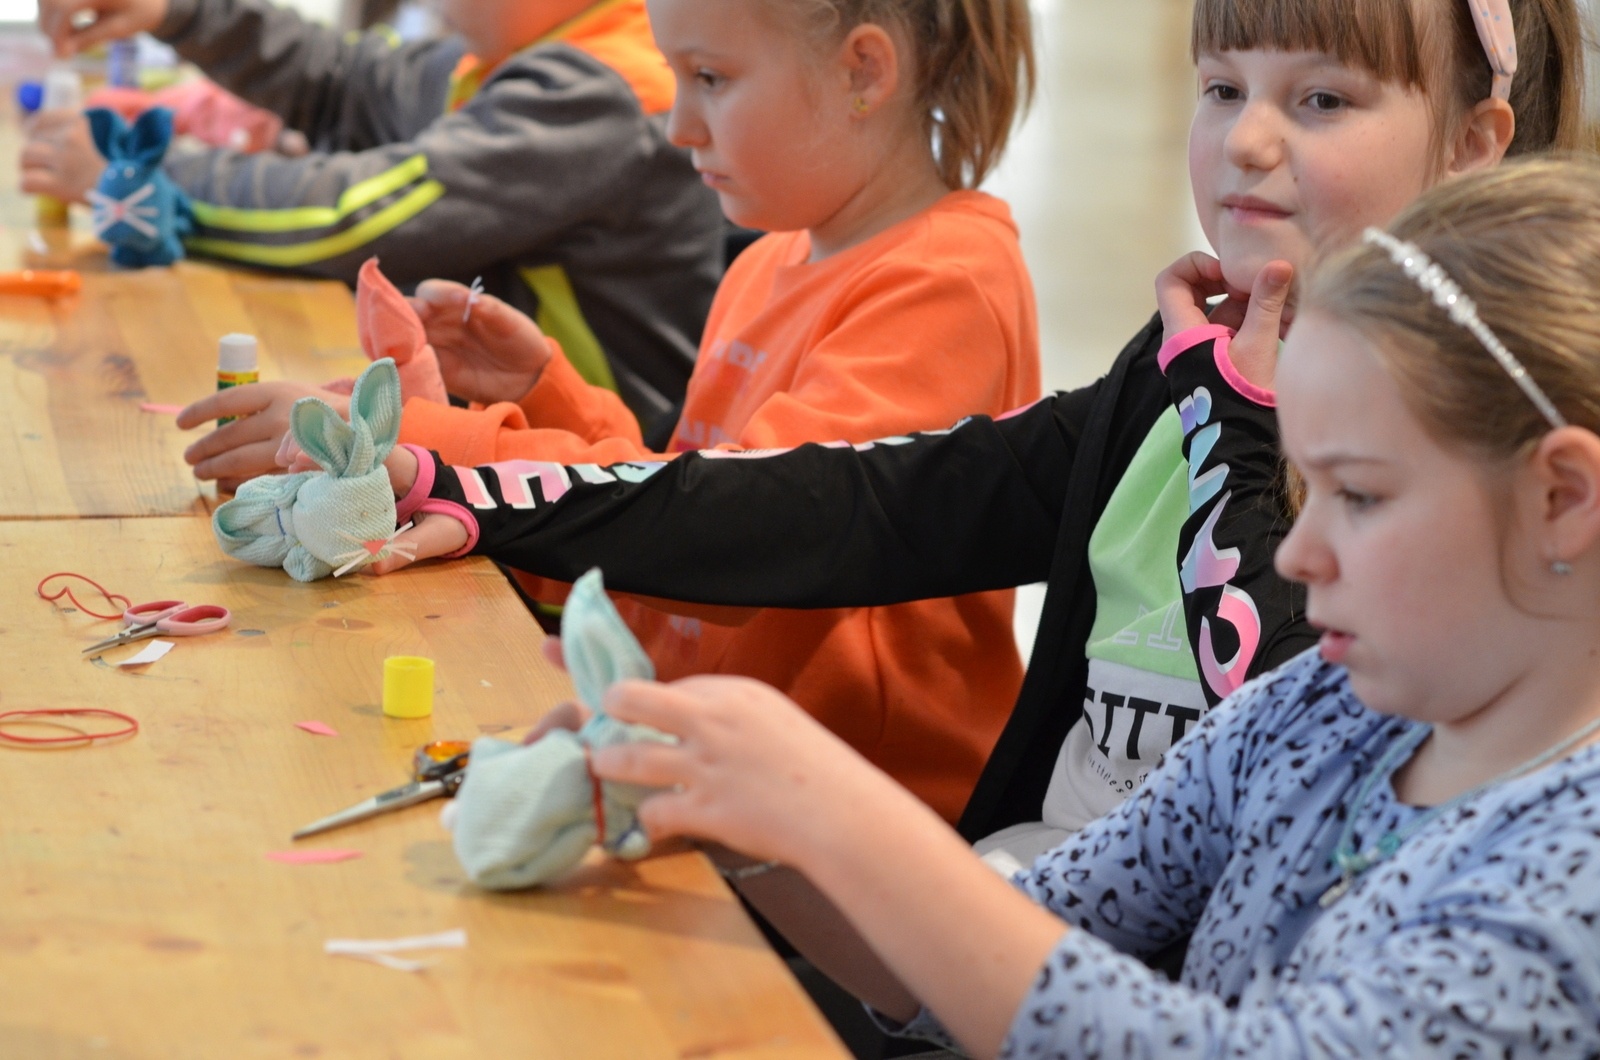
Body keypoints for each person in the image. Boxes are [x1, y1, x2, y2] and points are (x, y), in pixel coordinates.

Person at [367, 0, 1588, 860]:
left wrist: (1239, 420)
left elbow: (1298, 731)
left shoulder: (1462, 462)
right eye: (1221, 89)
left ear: (1470, 147)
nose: (1246, 140)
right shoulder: (1167, 376)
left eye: (1320, 99)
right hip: (1007, 908)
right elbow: (851, 509)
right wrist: (456, 480)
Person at [600, 155, 1600, 1058]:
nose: (1299, 552)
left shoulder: (1573, 868)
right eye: (1307, 488)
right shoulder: (1306, 713)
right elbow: (988, 949)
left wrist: (830, 808)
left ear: (1560, 499)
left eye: (1362, 496)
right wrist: (743, 823)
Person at [260, 0, 1041, 823]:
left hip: (847, 827)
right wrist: (545, 395)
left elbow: (740, 541)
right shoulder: (773, 256)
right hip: (701, 766)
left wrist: (436, 451)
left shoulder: (942, 287)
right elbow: (677, 495)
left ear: (864, 71)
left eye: (710, 78)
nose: (679, 128)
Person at [22, 0, 724, 430]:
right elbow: (344, 82)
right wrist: (182, 12)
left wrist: (143, 179)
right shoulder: (523, 51)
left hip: (588, 481)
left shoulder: (598, 93)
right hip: (512, 456)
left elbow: (354, 215)